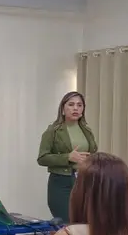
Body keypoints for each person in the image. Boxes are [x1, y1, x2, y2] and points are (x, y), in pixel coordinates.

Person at [37, 92, 98, 224]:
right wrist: (67, 157)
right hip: (61, 182)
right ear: (63, 109)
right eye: (71, 104)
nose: (75, 108)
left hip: (85, 180)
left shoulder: (87, 131)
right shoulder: (53, 131)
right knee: (68, 222)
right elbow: (42, 158)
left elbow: (93, 153)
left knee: (85, 222)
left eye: (79, 105)